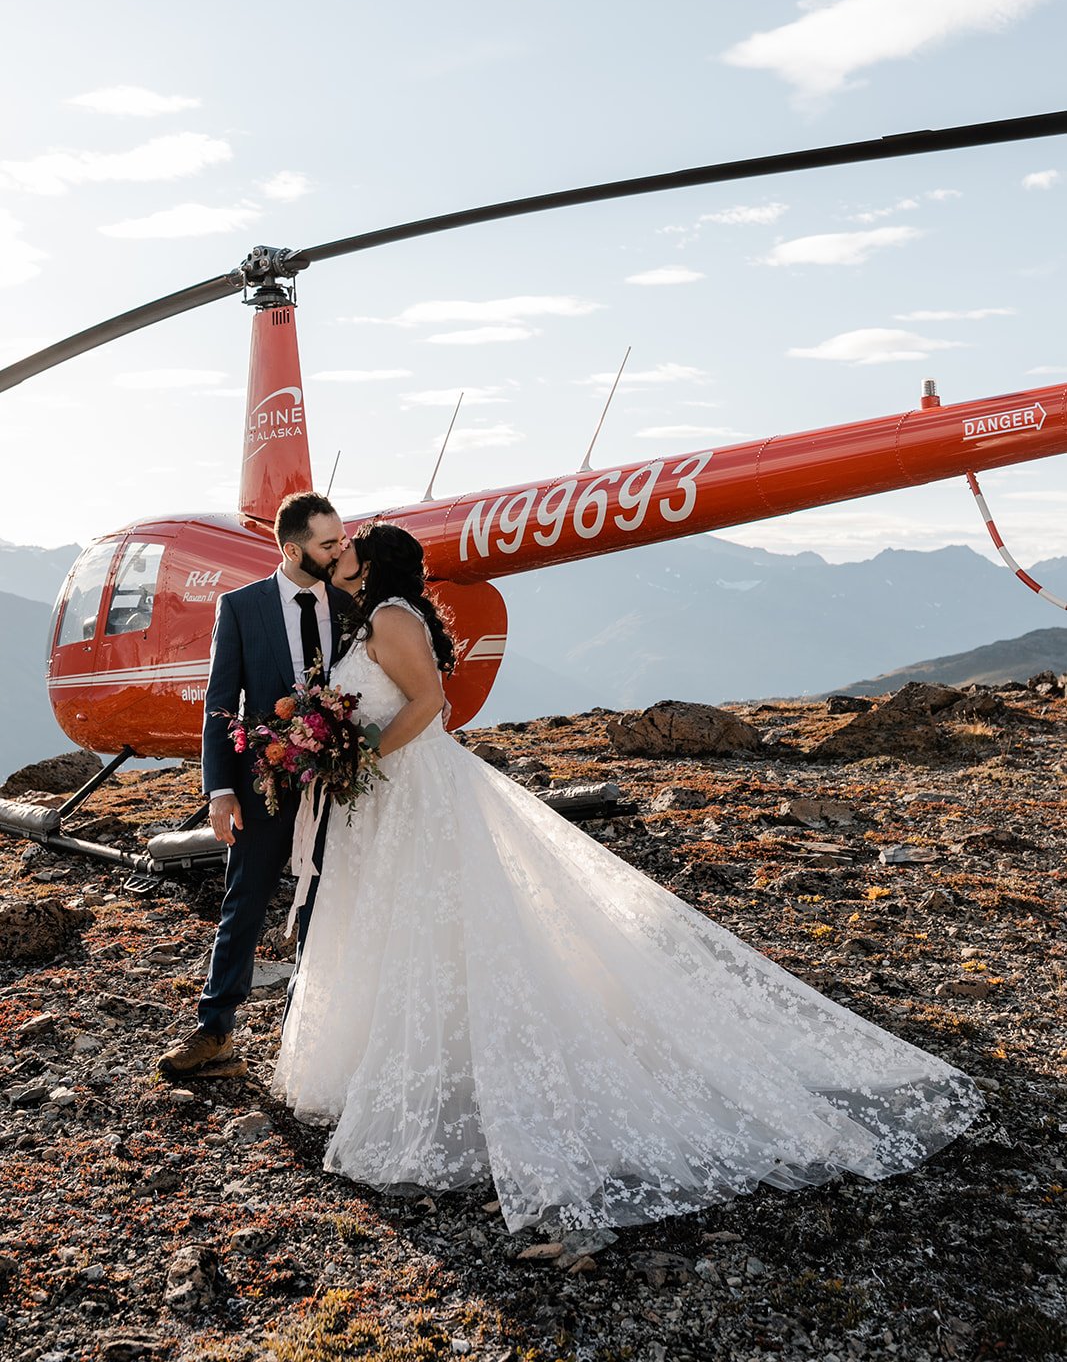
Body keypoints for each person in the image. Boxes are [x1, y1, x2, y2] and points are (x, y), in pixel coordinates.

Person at [274, 522, 982, 1233]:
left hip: (412, 788)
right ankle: (417, 1061)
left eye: (348, 548)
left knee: (439, 920)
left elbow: (432, 706)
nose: (338, 556)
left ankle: (454, 1068)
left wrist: (364, 759)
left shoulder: (392, 619)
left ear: (373, 563)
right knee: (407, 925)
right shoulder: (369, 620)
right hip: (388, 798)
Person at [158, 492, 351, 1078]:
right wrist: (219, 791)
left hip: (340, 787)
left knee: (327, 904)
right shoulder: (241, 607)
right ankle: (214, 1032)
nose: (341, 549)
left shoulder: (350, 605)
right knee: (244, 903)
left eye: (341, 538)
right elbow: (220, 705)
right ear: (293, 549)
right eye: (329, 542)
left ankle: (307, 1037)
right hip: (261, 784)